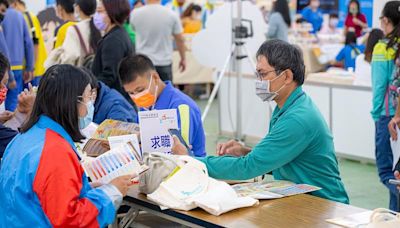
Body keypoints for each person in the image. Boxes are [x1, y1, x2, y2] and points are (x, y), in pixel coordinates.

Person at [172, 40, 349, 204]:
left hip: (324, 204)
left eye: (263, 74)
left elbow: (248, 168)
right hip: (303, 199)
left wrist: (192, 161)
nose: (259, 81)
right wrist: (245, 151)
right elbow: (283, 158)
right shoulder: (289, 107)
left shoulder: (297, 119)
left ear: (287, 76)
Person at [0, 64, 135, 226]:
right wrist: (111, 192)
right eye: (87, 98)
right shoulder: (55, 151)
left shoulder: (24, 138)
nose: (90, 104)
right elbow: (70, 220)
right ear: (71, 102)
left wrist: (83, 188)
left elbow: (42, 195)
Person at [119, 54, 206, 157]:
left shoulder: (181, 107)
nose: (137, 96)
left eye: (140, 90)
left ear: (155, 78)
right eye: (131, 93)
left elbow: (183, 154)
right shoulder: (146, 106)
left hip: (187, 168)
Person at [373, 1, 400, 212]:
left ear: (386, 20)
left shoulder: (382, 46)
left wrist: (376, 113)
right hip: (395, 113)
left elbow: (380, 84)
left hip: (387, 115)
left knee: (386, 172)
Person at [130, 0, 186, 82]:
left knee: (144, 93)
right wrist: (183, 58)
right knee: (165, 92)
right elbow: (180, 39)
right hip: (164, 62)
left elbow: (134, 29)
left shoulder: (135, 14)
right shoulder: (171, 14)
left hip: (142, 62)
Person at [91, 0, 134, 105]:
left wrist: (91, 89)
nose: (96, 16)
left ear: (112, 12)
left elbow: (109, 75)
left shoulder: (113, 40)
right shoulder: (118, 34)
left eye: (100, 11)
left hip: (114, 100)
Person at [0, 0, 34, 111]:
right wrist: (29, 67)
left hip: (2, 67)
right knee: (14, 102)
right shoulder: (20, 16)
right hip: (18, 66)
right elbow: (28, 43)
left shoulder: (2, 16)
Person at [50, 0, 101, 67]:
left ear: (77, 8)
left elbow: (70, 56)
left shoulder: (72, 29)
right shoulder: (100, 27)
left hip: (81, 73)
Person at [14, 0, 47, 86]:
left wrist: (31, 68)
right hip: (33, 69)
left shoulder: (27, 17)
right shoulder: (25, 16)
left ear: (15, 4)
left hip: (34, 71)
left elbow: (34, 43)